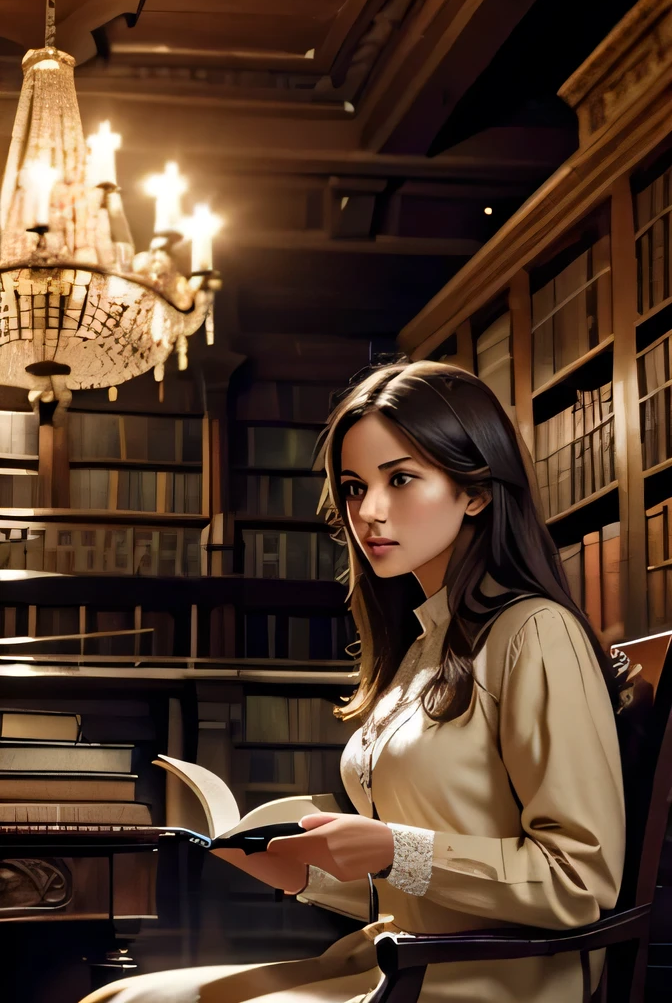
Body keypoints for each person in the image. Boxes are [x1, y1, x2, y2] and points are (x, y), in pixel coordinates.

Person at [81, 360, 626, 1003]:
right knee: (120, 998)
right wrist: (304, 872)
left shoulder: (535, 632)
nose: (369, 511)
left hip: (497, 978)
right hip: (395, 960)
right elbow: (423, 884)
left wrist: (396, 847)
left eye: (400, 479)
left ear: (476, 491)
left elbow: (582, 881)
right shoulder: (425, 645)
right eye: (354, 486)